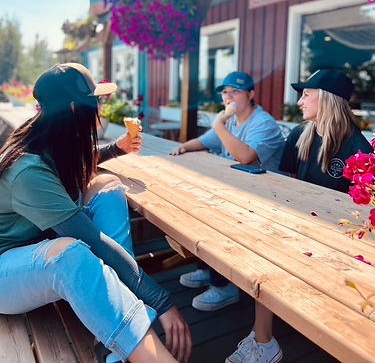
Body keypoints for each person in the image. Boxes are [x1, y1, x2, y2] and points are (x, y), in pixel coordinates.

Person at [0, 63, 192, 363]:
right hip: (7, 273)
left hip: (33, 247)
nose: (101, 108)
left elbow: (77, 159)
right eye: (97, 101)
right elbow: (94, 241)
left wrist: (118, 148)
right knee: (70, 253)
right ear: (76, 108)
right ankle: (148, 349)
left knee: (107, 187)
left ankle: (122, 337)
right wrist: (162, 300)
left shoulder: (46, 135)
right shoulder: (27, 169)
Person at [225, 69, 372, 363]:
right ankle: (256, 329)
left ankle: (264, 343)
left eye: (307, 94)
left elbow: (363, 213)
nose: (300, 101)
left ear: (328, 100)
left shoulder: (358, 148)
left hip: (337, 243)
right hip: (299, 229)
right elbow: (287, 184)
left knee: (267, 247)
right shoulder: (299, 135)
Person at [171, 71, 285, 312]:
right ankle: (207, 268)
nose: (229, 97)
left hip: (266, 201)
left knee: (213, 213)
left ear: (251, 94)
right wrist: (183, 148)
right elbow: (204, 141)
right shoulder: (231, 122)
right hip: (236, 193)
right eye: (226, 92)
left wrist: (218, 123)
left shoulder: (263, 123)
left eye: (236, 92)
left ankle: (225, 285)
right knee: (194, 202)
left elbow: (245, 157)